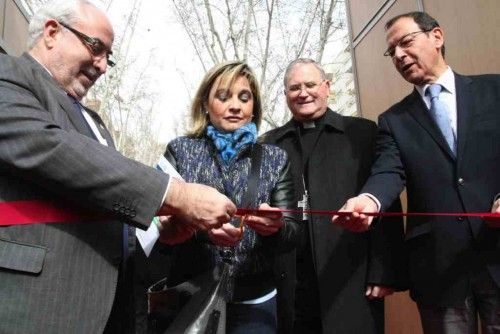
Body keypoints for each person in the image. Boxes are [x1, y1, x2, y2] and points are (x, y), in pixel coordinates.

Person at [0, 1, 236, 333]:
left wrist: (159, 231)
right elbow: (53, 150)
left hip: (106, 308)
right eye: (96, 48)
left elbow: (94, 199)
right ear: (52, 32)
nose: (102, 66)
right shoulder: (8, 75)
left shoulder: (92, 120)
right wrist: (177, 194)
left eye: (107, 57)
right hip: (39, 304)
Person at [333, 11, 500, 334]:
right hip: (440, 270)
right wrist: (369, 200)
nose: (398, 55)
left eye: (405, 42)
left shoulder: (494, 90)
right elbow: (388, 171)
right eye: (391, 51)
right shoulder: (394, 120)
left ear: (436, 36)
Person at [262, 58, 405, 333]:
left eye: (310, 84)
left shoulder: (362, 133)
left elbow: (386, 204)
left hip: (351, 273)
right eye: (294, 88)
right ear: (285, 95)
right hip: (293, 280)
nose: (303, 93)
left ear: (327, 87)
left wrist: (383, 271)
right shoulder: (270, 144)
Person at [161, 60, 299, 333]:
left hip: (256, 300)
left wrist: (276, 228)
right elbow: (160, 225)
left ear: (253, 107)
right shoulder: (180, 151)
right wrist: (202, 231)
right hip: (193, 294)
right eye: (223, 96)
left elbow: (294, 233)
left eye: (244, 97)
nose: (235, 105)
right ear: (205, 104)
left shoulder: (275, 158)